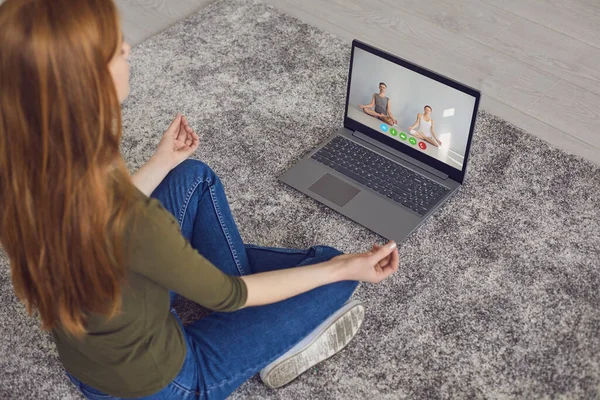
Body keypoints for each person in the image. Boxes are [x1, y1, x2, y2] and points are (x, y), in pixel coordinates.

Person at [0, 1, 400, 399]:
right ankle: (278, 338)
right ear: (85, 81)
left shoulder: (23, 167)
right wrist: (342, 268)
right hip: (163, 381)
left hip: (90, 356)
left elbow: (97, 221)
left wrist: (160, 163)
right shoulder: (136, 221)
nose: (126, 47)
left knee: (192, 177)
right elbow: (229, 294)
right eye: (113, 46)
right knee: (334, 271)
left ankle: (245, 305)